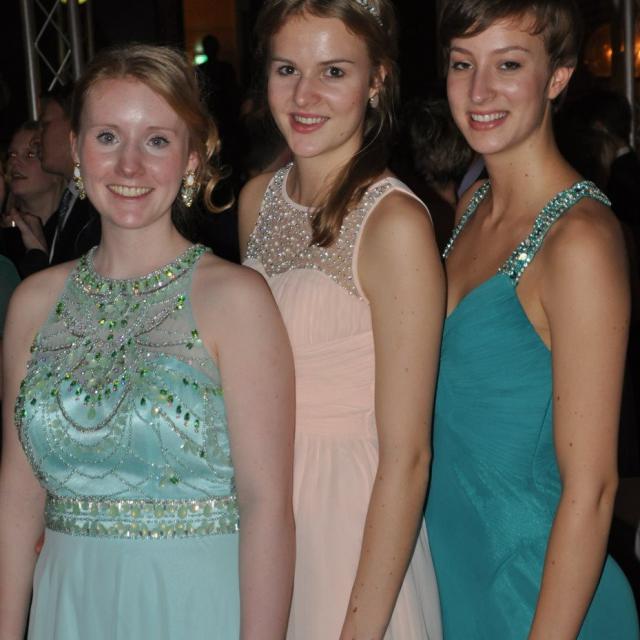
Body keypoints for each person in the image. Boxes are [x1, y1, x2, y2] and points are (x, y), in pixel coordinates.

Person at [0, 44, 295, 640]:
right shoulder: (33, 303)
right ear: (76, 150)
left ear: (192, 157)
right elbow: (17, 497)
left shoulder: (235, 300)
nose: (129, 166)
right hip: (68, 607)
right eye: (108, 137)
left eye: (156, 141)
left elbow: (267, 507)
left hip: (193, 606)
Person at [424, 1, 640, 638]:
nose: (479, 91)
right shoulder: (473, 202)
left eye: (509, 64)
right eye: (462, 63)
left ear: (558, 76)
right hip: (453, 575)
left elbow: (593, 488)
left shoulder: (581, 241)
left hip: (536, 596)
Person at [239, 1, 444, 638]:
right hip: (261, 519)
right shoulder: (256, 200)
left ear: (376, 79)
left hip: (349, 528)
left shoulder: (395, 224)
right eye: (287, 69)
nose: (304, 96)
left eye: (333, 72)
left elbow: (408, 457)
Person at [18, 85, 101, 276]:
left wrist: (38, 259)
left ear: (76, 126)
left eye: (45, 124)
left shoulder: (100, 205)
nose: (35, 140)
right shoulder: (68, 205)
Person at [1, 121, 64, 275]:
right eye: (12, 154)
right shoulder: (5, 237)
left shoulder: (74, 232)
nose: (14, 162)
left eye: (30, 155)